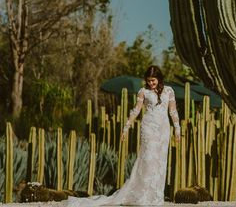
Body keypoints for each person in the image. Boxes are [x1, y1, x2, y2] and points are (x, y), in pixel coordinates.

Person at [67, 66, 180, 206]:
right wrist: (126, 127)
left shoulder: (169, 91)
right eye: (149, 81)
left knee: (160, 162)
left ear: (159, 79)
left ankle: (156, 196)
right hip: (149, 128)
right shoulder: (143, 91)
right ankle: (143, 195)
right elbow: (136, 110)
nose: (151, 83)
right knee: (148, 160)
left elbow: (173, 111)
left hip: (163, 129)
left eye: (153, 80)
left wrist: (177, 128)